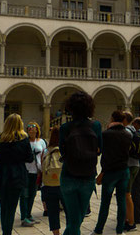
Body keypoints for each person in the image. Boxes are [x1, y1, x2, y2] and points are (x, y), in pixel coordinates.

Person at [59, 91, 102, 235]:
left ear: (70, 107)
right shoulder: (95, 126)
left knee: (73, 221)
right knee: (77, 220)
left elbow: (62, 151)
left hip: (68, 175)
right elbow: (99, 149)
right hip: (87, 176)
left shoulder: (65, 128)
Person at [91, 111, 132, 235]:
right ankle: (119, 230)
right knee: (121, 202)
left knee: (105, 203)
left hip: (110, 172)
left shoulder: (106, 135)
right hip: (124, 171)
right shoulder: (128, 134)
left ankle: (99, 230)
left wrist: (102, 172)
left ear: (112, 118)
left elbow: (102, 153)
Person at [0, 113, 33, 235]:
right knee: (11, 209)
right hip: (17, 176)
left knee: (3, 208)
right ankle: (7, 233)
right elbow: (29, 158)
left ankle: (5, 232)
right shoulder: (23, 139)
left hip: (1, 175)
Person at [20, 121, 47, 227]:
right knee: (24, 195)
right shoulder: (24, 141)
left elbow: (44, 155)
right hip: (26, 170)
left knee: (32, 194)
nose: (31, 128)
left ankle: (29, 214)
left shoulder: (41, 142)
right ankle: (23, 217)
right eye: (29, 127)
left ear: (37, 129)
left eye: (33, 127)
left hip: (37, 171)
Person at [41, 126, 65, 235]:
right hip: (64, 185)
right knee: (69, 212)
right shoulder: (66, 149)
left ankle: (56, 234)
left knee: (53, 213)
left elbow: (41, 167)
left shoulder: (46, 150)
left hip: (49, 186)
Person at [123, 111, 140, 231]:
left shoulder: (127, 131)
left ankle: (131, 223)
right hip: (136, 164)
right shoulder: (134, 130)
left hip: (129, 164)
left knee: (126, 194)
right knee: (127, 194)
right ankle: (128, 219)